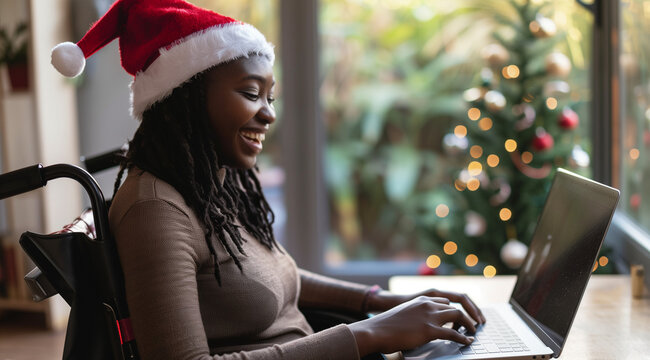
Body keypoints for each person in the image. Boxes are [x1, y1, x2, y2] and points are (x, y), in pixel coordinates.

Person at [51, 0, 485, 359]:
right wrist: (369, 334)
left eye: (270, 96)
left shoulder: (216, 180)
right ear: (187, 95)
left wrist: (378, 302)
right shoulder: (156, 210)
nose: (269, 113)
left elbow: (277, 278)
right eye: (251, 92)